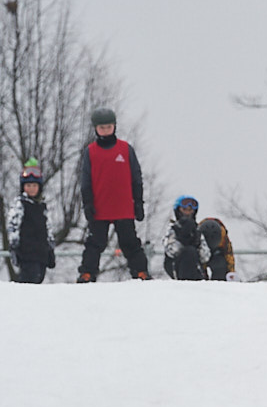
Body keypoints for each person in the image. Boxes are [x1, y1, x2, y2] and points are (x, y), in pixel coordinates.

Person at [78, 106, 149, 282]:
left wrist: (138, 202)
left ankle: (141, 272)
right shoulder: (90, 152)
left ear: (114, 126)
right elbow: (86, 181)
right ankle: (87, 273)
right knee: (95, 243)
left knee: (130, 242)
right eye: (102, 127)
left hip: (123, 207)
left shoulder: (125, 149)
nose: (105, 130)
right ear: (96, 128)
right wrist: (87, 204)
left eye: (108, 127)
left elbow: (136, 178)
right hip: (99, 207)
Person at [8, 160, 56, 284]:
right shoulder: (20, 204)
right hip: (27, 254)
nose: (31, 189)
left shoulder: (42, 207)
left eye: (34, 186)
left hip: (41, 254)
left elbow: (48, 228)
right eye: (28, 186)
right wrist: (14, 246)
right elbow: (13, 226)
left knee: (39, 279)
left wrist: (50, 249)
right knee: (29, 280)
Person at [163, 195, 209, 280]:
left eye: (190, 210)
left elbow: (205, 256)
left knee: (192, 251)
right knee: (189, 251)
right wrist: (183, 239)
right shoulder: (173, 228)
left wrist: (197, 243)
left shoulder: (197, 229)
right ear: (178, 210)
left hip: (195, 267)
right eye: (184, 210)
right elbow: (170, 251)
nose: (187, 213)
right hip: (176, 266)